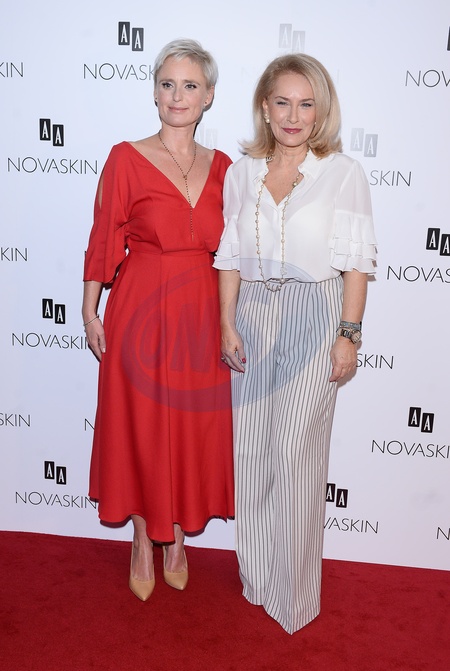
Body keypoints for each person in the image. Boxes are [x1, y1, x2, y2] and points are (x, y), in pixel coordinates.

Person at [214, 53, 376, 634]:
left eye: (306, 104)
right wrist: (226, 322)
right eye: (282, 101)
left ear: (320, 111)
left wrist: (348, 335)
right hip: (254, 312)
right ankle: (259, 578)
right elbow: (230, 255)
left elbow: (356, 263)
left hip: (315, 310)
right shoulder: (241, 173)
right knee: (253, 450)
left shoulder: (343, 172)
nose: (293, 115)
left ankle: (296, 594)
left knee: (295, 453)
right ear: (265, 106)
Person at [82, 39, 234, 602]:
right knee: (143, 426)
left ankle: (179, 540)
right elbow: (105, 234)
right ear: (154, 92)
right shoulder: (126, 157)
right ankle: (145, 539)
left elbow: (236, 252)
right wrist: (89, 308)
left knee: (189, 428)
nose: (177, 95)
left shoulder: (226, 168)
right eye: (167, 84)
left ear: (208, 96)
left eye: (190, 85)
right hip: (140, 306)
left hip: (201, 312)